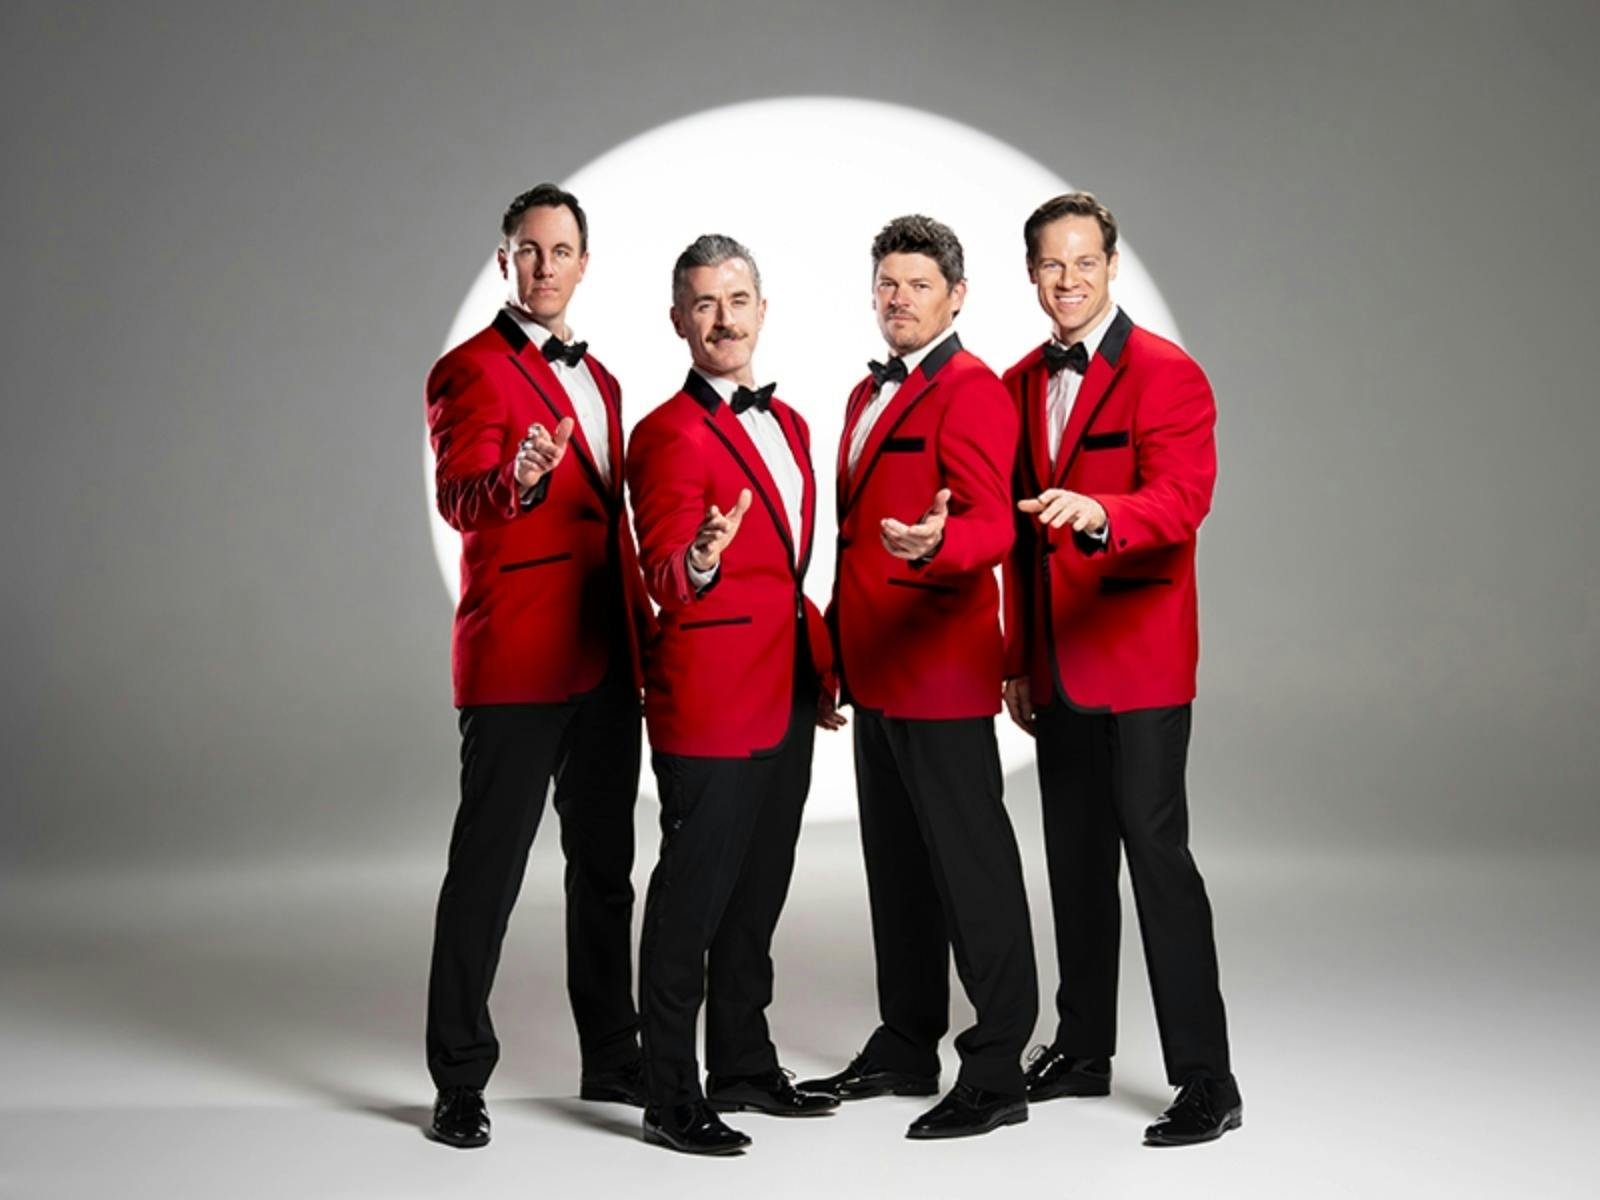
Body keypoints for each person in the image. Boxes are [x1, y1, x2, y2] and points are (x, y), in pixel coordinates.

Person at [1001, 191, 1242, 1146]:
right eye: (1051, 266)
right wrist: (1019, 657)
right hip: (1057, 664)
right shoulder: (1020, 381)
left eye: (1084, 263)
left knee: (1156, 859)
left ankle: (1208, 1079)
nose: (1068, 282)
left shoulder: (1168, 373)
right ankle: (1083, 1046)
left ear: (1112, 265)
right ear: (1031, 274)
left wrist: (1101, 513)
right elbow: (1020, 543)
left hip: (1141, 666)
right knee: (1074, 859)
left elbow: (1184, 500)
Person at [422, 184, 653, 1148]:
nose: (546, 266)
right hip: (517, 660)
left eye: (562, 251)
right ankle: (460, 1080)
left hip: (604, 659)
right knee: (489, 870)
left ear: (584, 264)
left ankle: (612, 1052)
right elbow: (459, 499)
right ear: (505, 259)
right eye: (529, 250)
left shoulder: (602, 381)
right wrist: (512, 480)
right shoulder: (466, 370)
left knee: (605, 869)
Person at [799, 215, 1038, 1141]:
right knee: (895, 869)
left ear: (957, 296)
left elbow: (994, 525)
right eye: (887, 284)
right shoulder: (866, 395)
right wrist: (833, 657)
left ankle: (998, 1069)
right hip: (875, 670)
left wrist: (943, 544)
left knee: (971, 871)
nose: (898, 299)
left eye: (918, 285)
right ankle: (906, 1042)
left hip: (940, 670)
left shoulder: (973, 392)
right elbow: (849, 540)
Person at [625, 235, 839, 1155]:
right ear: (679, 321)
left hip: (787, 690)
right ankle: (671, 1092)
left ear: (762, 308)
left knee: (758, 895)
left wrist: (819, 666)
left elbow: (791, 573)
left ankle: (745, 1067)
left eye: (738, 299)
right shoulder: (663, 435)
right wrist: (701, 558)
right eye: (705, 304)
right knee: (692, 899)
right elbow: (667, 564)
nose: (724, 319)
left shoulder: (789, 426)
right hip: (710, 696)